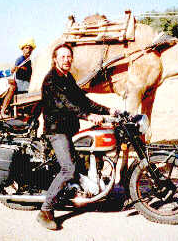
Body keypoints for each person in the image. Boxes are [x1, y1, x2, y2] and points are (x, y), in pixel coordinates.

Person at [37, 44, 118, 230]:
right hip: (56, 130)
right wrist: (88, 116)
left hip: (70, 127)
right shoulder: (51, 80)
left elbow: (82, 99)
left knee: (86, 159)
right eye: (63, 56)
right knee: (68, 168)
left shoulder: (68, 77)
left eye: (69, 56)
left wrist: (108, 110)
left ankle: (90, 193)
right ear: (55, 59)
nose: (67, 59)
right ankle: (45, 210)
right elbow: (65, 104)